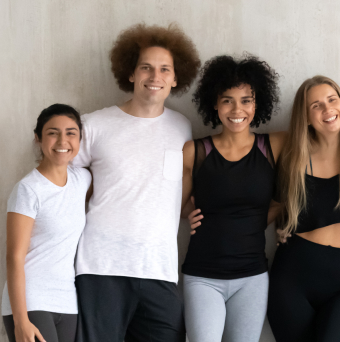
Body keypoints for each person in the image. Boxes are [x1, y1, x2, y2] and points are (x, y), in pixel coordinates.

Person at [180, 56, 340, 342]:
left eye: (246, 100)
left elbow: (335, 130)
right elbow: (172, 198)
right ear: (214, 103)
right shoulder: (198, 150)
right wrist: (188, 212)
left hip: (273, 275)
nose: (237, 109)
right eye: (227, 100)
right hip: (253, 272)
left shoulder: (284, 145)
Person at [70, 23, 201, 342]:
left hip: (161, 271)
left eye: (164, 69)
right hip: (101, 269)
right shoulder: (94, 125)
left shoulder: (181, 128)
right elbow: (60, 182)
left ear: (174, 77)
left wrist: (189, 209)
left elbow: (169, 184)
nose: (155, 77)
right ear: (130, 73)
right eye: (146, 67)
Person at [266, 75, 340, 342]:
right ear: (305, 116)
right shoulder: (291, 154)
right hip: (292, 275)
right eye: (316, 105)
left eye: (332, 99)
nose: (327, 109)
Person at [2, 104, 90, 342]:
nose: (63, 140)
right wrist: (21, 320)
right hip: (31, 301)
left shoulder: (82, 179)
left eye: (71, 133)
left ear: (79, 139)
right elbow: (14, 257)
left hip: (67, 301)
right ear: (38, 138)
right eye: (53, 132)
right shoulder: (28, 190)